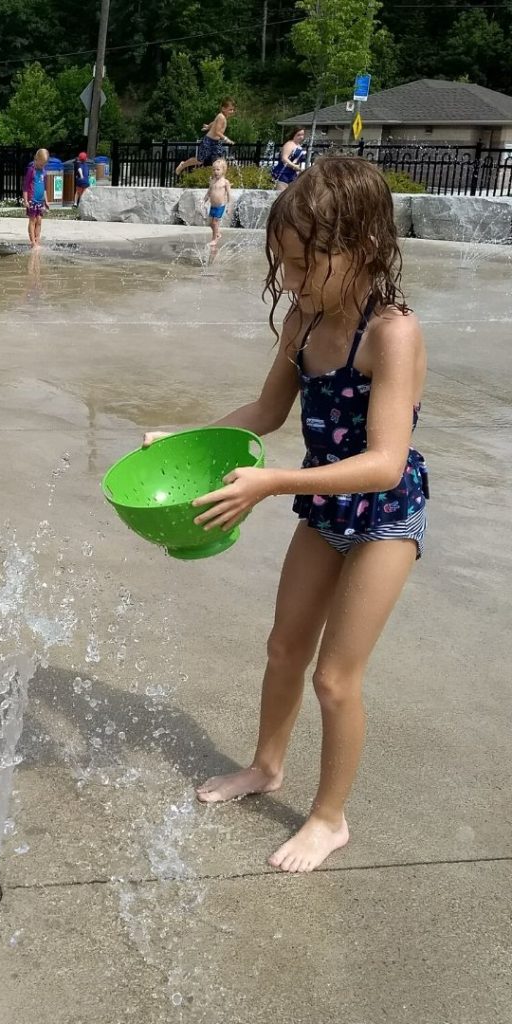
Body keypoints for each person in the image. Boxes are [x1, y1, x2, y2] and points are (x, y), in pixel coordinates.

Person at [144, 156, 429, 873]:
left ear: (360, 247)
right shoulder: (303, 320)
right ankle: (266, 766)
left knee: (336, 677)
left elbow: (386, 460)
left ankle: (329, 818)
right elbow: (269, 411)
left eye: (305, 264)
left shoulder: (390, 332)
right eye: (286, 265)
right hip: (323, 510)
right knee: (283, 649)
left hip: (385, 517)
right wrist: (188, 439)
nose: (293, 281)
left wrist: (272, 484)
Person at [175, 97, 237, 176]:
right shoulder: (221, 117)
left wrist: (208, 127)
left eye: (232, 110)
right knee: (200, 160)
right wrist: (226, 139)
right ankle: (183, 165)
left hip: (216, 142)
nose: (232, 112)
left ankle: (217, 178)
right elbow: (217, 131)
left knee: (218, 162)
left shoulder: (222, 117)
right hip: (209, 141)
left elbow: (214, 122)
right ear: (223, 109)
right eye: (230, 109)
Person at [22, 148, 50, 248]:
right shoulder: (31, 171)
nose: (42, 166)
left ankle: (37, 240)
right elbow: (25, 187)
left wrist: (46, 200)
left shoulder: (44, 172)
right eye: (41, 164)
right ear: (36, 159)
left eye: (44, 164)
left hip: (40, 201)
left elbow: (45, 189)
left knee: (39, 221)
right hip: (32, 201)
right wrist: (25, 201)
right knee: (32, 221)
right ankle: (32, 242)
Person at [204, 157, 231, 247]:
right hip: (213, 205)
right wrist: (203, 200)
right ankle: (218, 233)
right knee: (210, 223)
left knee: (215, 223)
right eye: (214, 170)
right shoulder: (212, 181)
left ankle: (214, 239)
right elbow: (208, 193)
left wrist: (229, 206)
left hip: (220, 206)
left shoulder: (225, 182)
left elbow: (229, 195)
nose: (215, 172)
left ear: (223, 170)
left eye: (218, 169)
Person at [271, 127, 307, 192]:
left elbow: (296, 160)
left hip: (292, 174)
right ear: (293, 134)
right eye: (298, 135)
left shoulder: (299, 146)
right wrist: (294, 166)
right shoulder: (289, 144)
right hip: (283, 173)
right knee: (281, 195)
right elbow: (284, 158)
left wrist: (298, 170)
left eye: (302, 135)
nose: (301, 137)